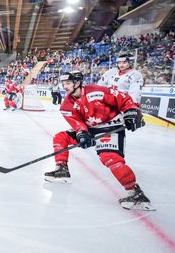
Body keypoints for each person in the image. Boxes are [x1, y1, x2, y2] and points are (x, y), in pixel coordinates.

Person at [44, 71, 153, 211]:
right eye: (64, 83)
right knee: (61, 137)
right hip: (91, 129)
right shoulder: (66, 105)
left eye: (68, 83)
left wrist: (131, 112)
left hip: (111, 127)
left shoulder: (96, 91)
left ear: (77, 83)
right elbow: (77, 123)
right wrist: (83, 134)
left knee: (110, 158)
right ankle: (61, 171)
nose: (65, 86)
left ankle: (137, 195)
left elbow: (123, 99)